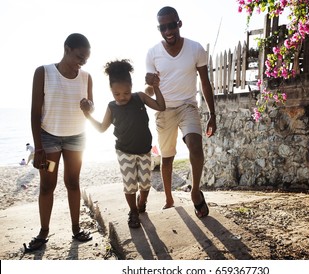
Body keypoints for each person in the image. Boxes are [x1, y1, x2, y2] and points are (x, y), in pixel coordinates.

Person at [24, 33, 93, 252]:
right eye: (79, 57)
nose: (81, 63)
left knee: (73, 182)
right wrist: (39, 148)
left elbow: (91, 107)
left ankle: (76, 228)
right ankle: (43, 233)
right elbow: (35, 113)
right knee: (47, 185)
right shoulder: (43, 72)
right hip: (49, 140)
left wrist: (88, 106)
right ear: (67, 49)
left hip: (76, 138)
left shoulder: (86, 77)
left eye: (85, 59)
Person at [145, 6, 217, 218]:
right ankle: (169, 198)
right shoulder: (152, 53)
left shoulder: (196, 49)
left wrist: (212, 114)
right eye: (163, 27)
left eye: (171, 25)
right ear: (159, 29)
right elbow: (150, 88)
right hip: (163, 108)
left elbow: (205, 83)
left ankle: (195, 191)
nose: (168, 31)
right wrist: (149, 84)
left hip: (188, 105)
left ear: (179, 24)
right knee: (167, 157)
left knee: (195, 145)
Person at [80, 59, 165, 228]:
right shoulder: (112, 107)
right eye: (116, 94)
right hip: (124, 152)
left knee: (146, 183)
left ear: (131, 87)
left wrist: (155, 86)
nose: (122, 97)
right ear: (111, 91)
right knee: (130, 184)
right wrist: (87, 115)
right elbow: (102, 128)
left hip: (144, 150)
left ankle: (142, 204)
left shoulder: (140, 97)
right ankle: (133, 211)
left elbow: (161, 106)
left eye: (126, 93)